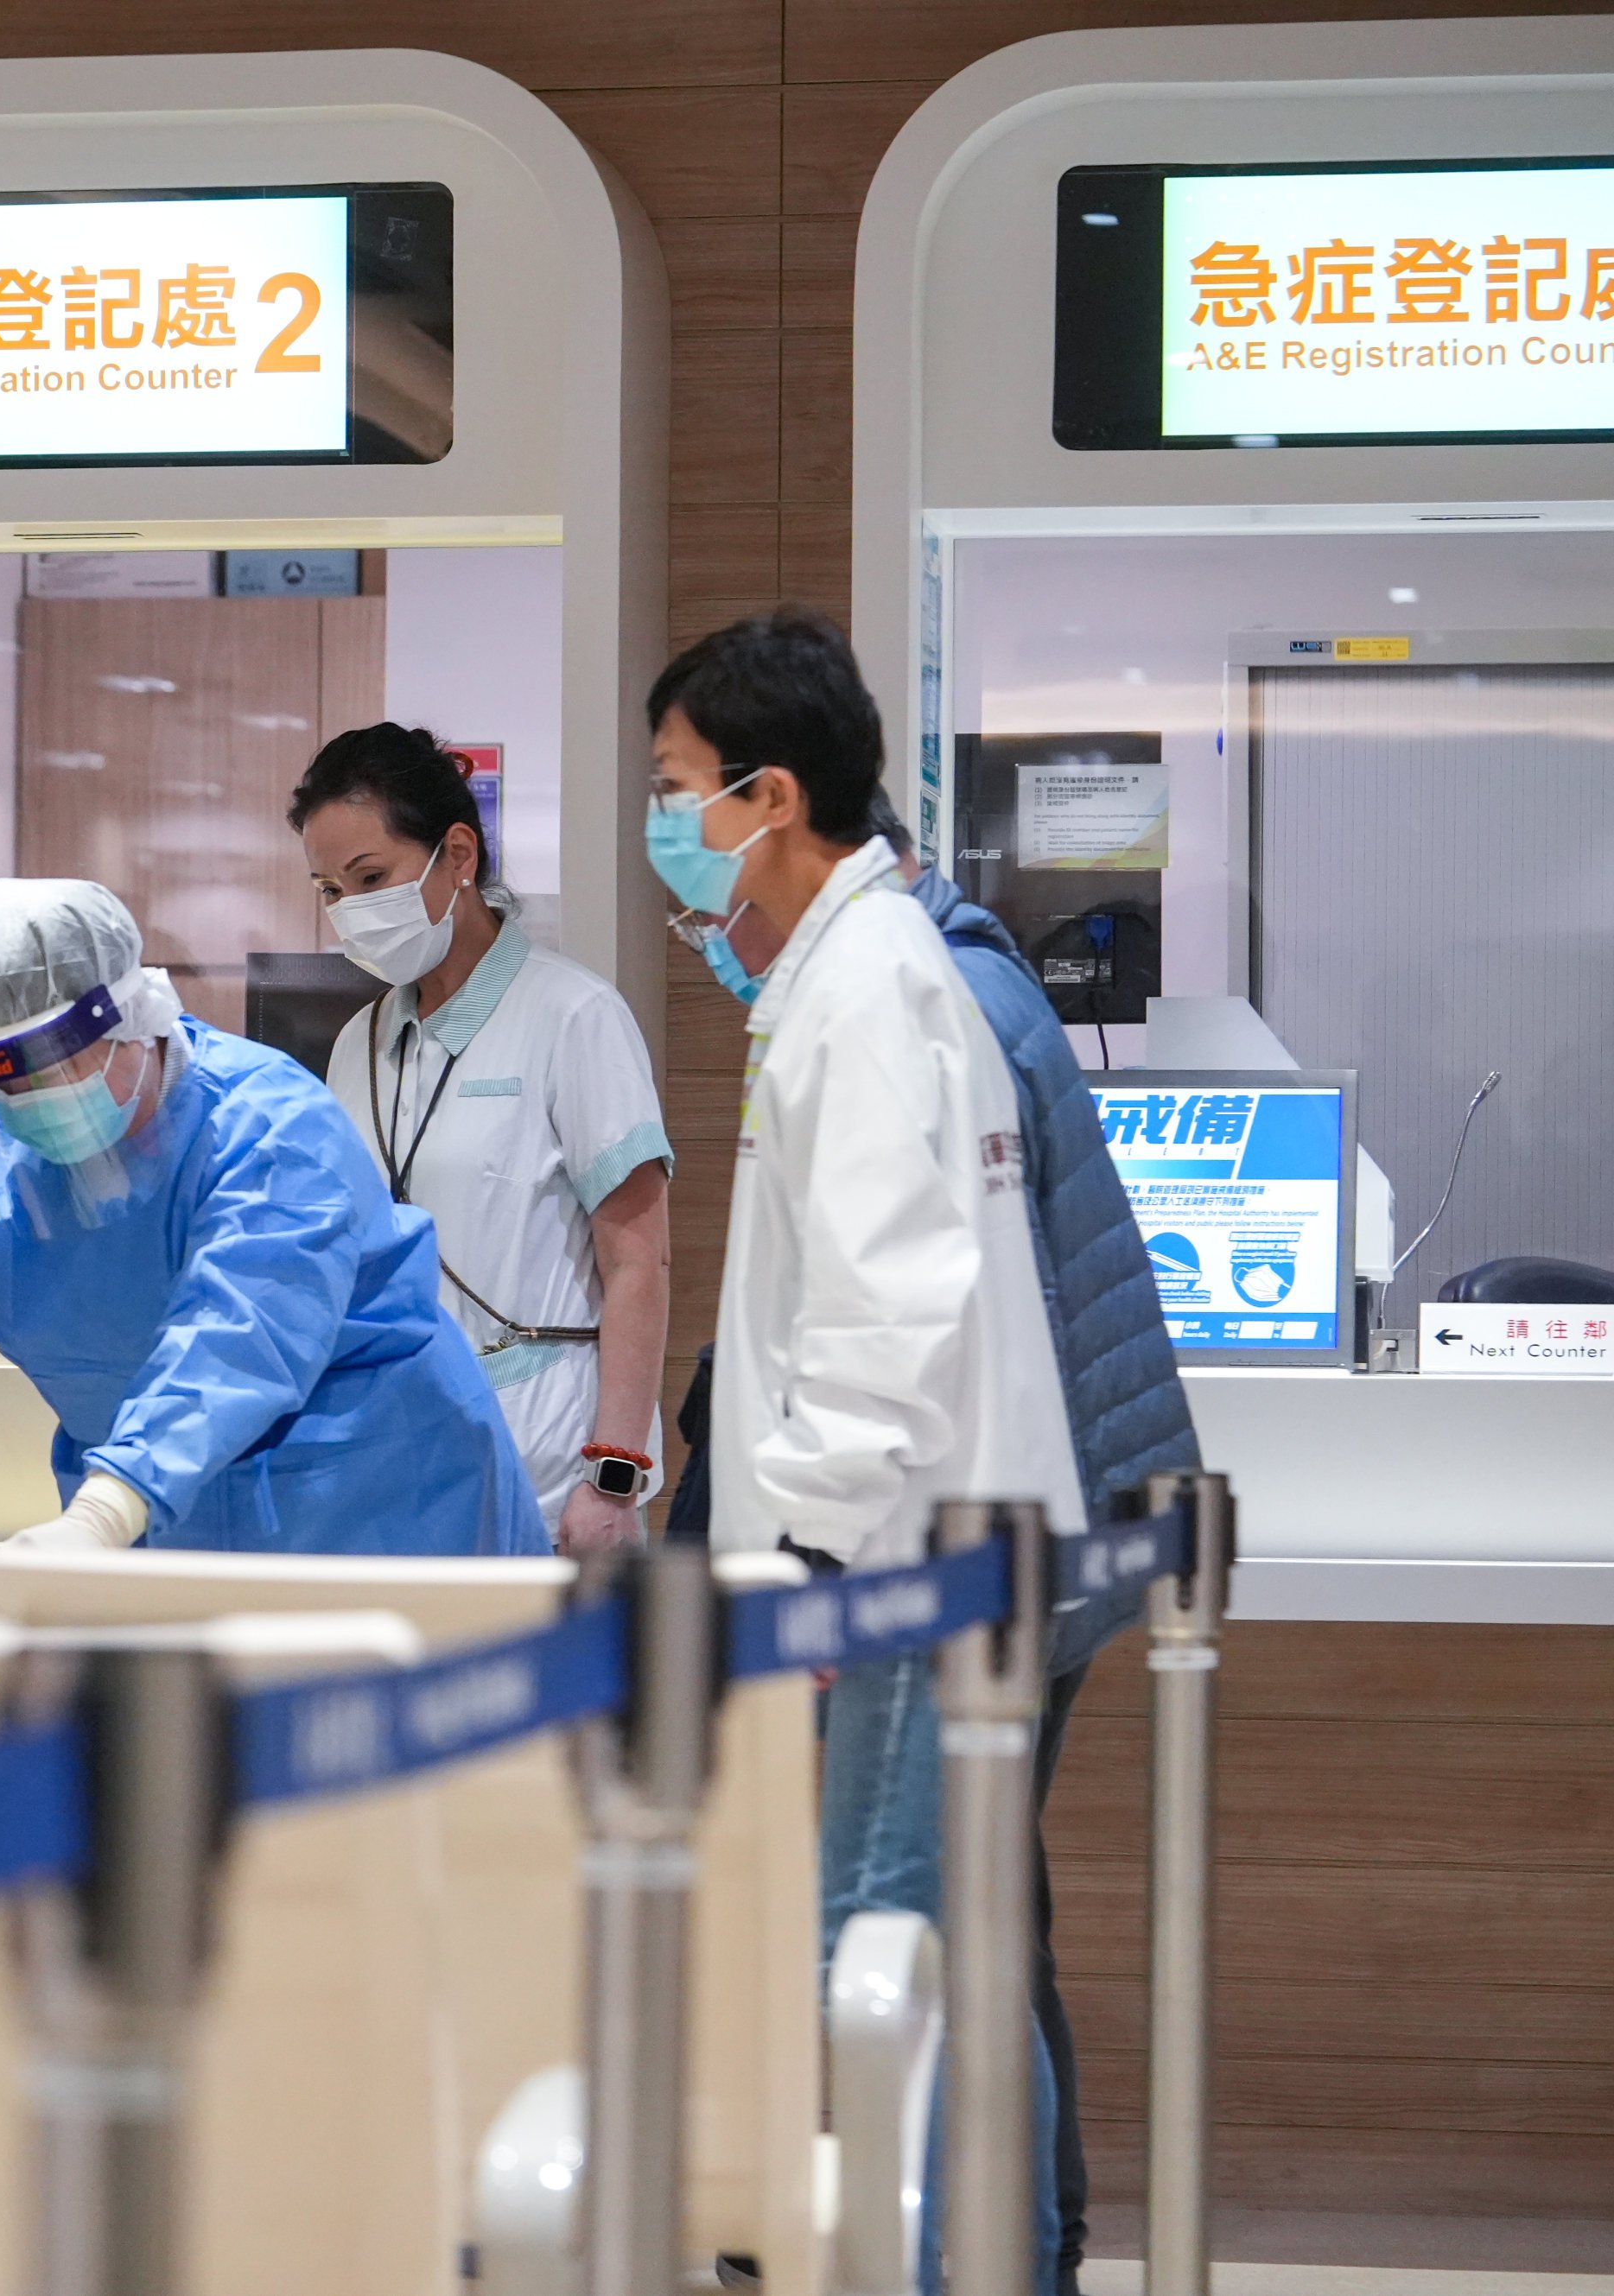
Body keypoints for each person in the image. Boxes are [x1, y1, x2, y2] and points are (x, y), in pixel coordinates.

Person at [680, 790, 1198, 2296]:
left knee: (914, 1944)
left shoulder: (913, 985)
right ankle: (1017, 2250)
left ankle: (985, 2253)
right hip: (1013, 1527)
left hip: (952, 1543)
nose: (722, 928)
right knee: (970, 1928)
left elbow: (921, 1317)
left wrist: (827, 1560)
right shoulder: (947, 974)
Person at [646, 608, 1089, 2293]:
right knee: (945, 1965)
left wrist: (811, 1568)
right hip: (929, 1551)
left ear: (769, 796)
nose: (666, 819)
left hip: (893, 1570)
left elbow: (884, 1313)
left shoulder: (862, 986)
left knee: (873, 1965)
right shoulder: (865, 965)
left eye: (678, 786)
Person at [0, 878, 543, 1557]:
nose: (19, 1103)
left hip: (374, 1503)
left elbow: (237, 1338)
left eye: (44, 1072)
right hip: (149, 1515)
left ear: (127, 1025)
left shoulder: (268, 1129)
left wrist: (105, 1513)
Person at [293, 724, 675, 1553]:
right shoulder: (355, 1044)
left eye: (371, 878)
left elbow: (638, 1261)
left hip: (547, 1470)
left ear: (457, 855)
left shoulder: (573, 1016)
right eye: (330, 890)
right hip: (390, 1468)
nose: (351, 913)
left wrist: (613, 1474)